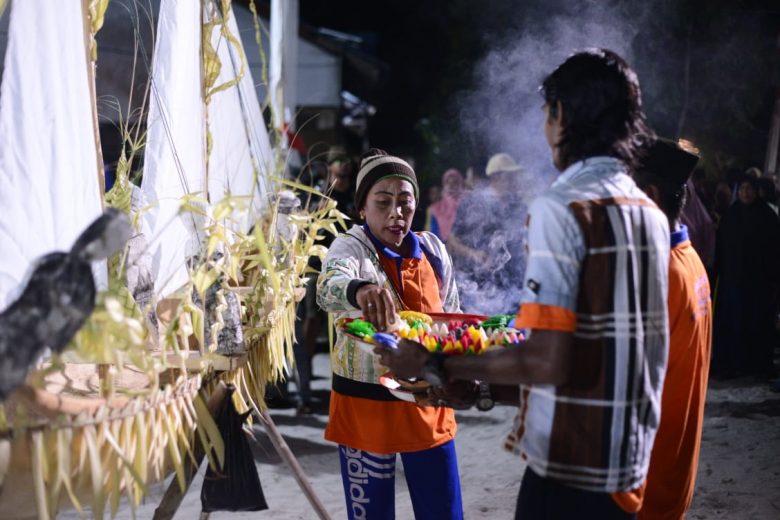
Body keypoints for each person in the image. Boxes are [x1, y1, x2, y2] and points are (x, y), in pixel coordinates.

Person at [375, 48, 669, 519]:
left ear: (561, 114)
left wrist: (434, 362)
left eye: (547, 112)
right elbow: (594, 355)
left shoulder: (564, 208)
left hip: (570, 471)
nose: (545, 129)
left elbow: (546, 359)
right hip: (629, 464)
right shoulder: (648, 212)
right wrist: (482, 389)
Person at [316, 148, 463, 519]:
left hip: (429, 403)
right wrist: (360, 289)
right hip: (366, 409)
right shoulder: (350, 247)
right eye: (383, 203)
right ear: (362, 209)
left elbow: (453, 316)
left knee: (443, 512)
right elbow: (327, 288)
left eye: (405, 201)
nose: (396, 213)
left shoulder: (433, 249)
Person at [632, 138, 712, 519]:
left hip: (646, 481)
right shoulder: (689, 258)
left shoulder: (659, 273)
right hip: (674, 473)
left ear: (650, 195)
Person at [712, 174, 780, 379]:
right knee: (733, 323)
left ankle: (755, 364)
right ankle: (732, 364)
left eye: (749, 189)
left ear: (756, 191)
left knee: (756, 322)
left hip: (760, 282)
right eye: (742, 189)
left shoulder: (768, 216)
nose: (745, 193)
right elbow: (721, 246)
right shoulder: (731, 215)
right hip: (733, 280)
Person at [447, 153, 529, 316]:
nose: (515, 180)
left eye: (515, 175)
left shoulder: (518, 205)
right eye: (510, 175)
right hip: (477, 284)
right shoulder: (472, 202)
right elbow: (452, 240)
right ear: (496, 177)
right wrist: (474, 254)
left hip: (512, 284)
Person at [425, 168, 465, 242]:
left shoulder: (466, 206)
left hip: (462, 246)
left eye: (455, 182)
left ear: (460, 184)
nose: (451, 186)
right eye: (448, 183)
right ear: (444, 185)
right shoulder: (434, 209)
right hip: (438, 246)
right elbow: (428, 233)